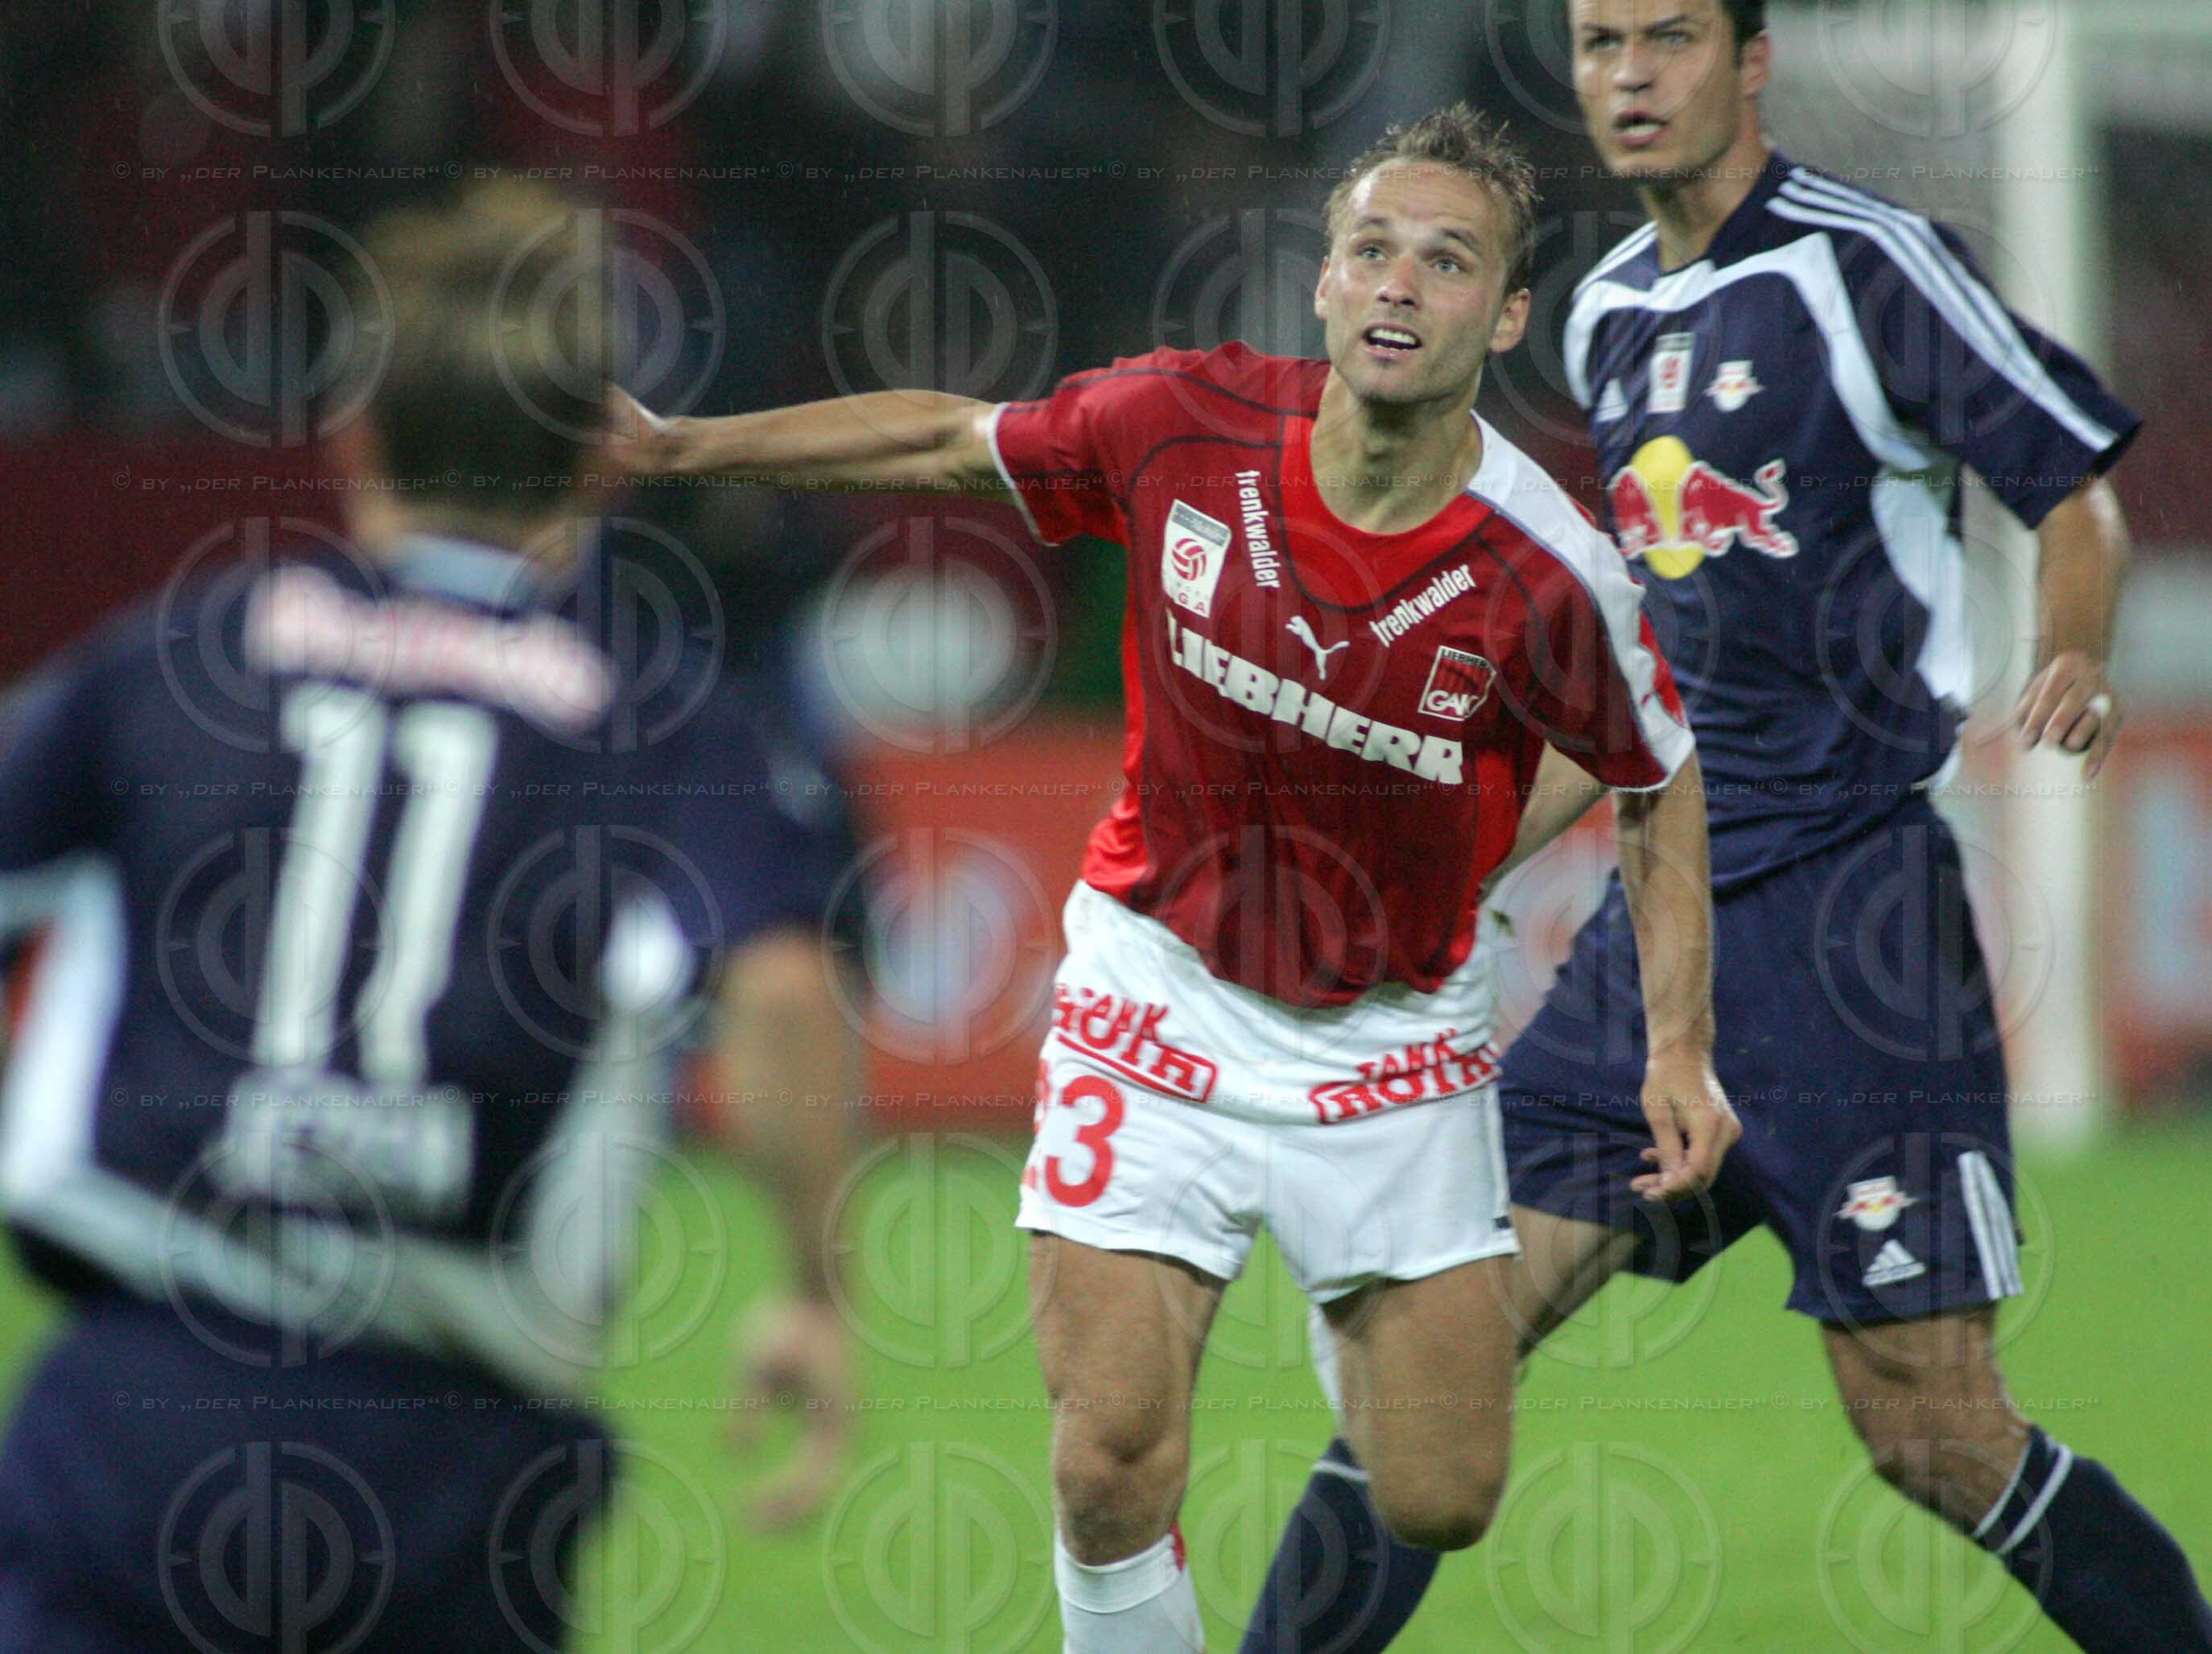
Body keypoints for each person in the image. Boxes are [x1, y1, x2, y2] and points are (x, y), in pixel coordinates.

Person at [613, 101, 1736, 1652]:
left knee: (1440, 1492)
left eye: (1450, 261)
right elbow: (948, 435)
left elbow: (1658, 784)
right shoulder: (1183, 428)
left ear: (1510, 312)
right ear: (1326, 283)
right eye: (1373, 251)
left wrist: (1673, 1039)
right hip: (1159, 1001)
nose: (1404, 285)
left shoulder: (1552, 573)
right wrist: (684, 445)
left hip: (1393, 1051)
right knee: (1108, 1459)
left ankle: (1379, 1303)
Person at [1238, 3, 2212, 1651]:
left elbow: (2070, 485)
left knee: (1934, 1429)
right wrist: (1456, 845)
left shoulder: (1869, 264)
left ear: (1750, 59)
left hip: (1852, 929)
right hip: (1659, 924)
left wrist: (2075, 649)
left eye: (1668, 36)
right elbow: (1641, 689)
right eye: (1600, 40)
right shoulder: (1612, 310)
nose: (1628, 73)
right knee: (1433, 1356)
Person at [0, 181, 858, 1651]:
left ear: (356, 435)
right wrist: (810, 1290)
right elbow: (781, 992)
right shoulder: (664, 724)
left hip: (136, 1407)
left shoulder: (183, 655)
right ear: (601, 462)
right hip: (455, 1464)